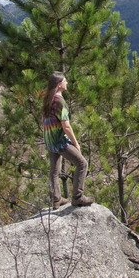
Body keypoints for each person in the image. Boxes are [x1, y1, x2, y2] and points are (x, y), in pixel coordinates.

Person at [42, 71, 94, 208]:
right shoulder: (60, 102)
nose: (67, 83)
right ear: (59, 85)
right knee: (82, 163)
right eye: (65, 81)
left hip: (49, 140)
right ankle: (78, 196)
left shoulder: (48, 99)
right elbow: (66, 127)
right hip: (59, 141)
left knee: (54, 172)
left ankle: (56, 199)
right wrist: (76, 144)